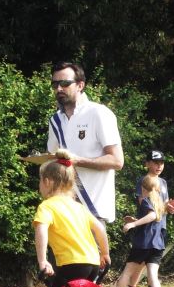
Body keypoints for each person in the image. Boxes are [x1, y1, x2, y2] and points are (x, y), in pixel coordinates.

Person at [47, 61, 123, 223]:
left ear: (80, 85)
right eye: (55, 84)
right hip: (63, 209)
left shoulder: (99, 113)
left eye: (65, 83)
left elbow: (117, 161)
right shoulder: (55, 120)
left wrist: (78, 161)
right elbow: (52, 159)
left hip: (92, 211)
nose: (59, 89)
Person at [33, 150, 110, 287]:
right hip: (92, 262)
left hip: (71, 263)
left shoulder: (47, 206)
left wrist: (43, 261)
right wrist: (105, 254)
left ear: (47, 182)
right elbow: (100, 228)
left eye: (40, 181)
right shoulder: (79, 207)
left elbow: (41, 230)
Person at [123, 150, 174, 287]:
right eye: (155, 162)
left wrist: (169, 208)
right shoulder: (143, 180)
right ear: (147, 164)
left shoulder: (164, 183)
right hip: (146, 227)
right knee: (139, 262)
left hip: (160, 227)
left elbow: (164, 205)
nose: (159, 166)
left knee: (153, 263)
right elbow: (144, 204)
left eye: (161, 163)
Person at [107, 175, 167, 287]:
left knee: (127, 273)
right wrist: (136, 220)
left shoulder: (146, 200)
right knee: (153, 274)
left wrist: (133, 223)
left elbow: (151, 216)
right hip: (157, 245)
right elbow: (152, 221)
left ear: (142, 188)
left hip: (143, 244)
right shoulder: (160, 202)